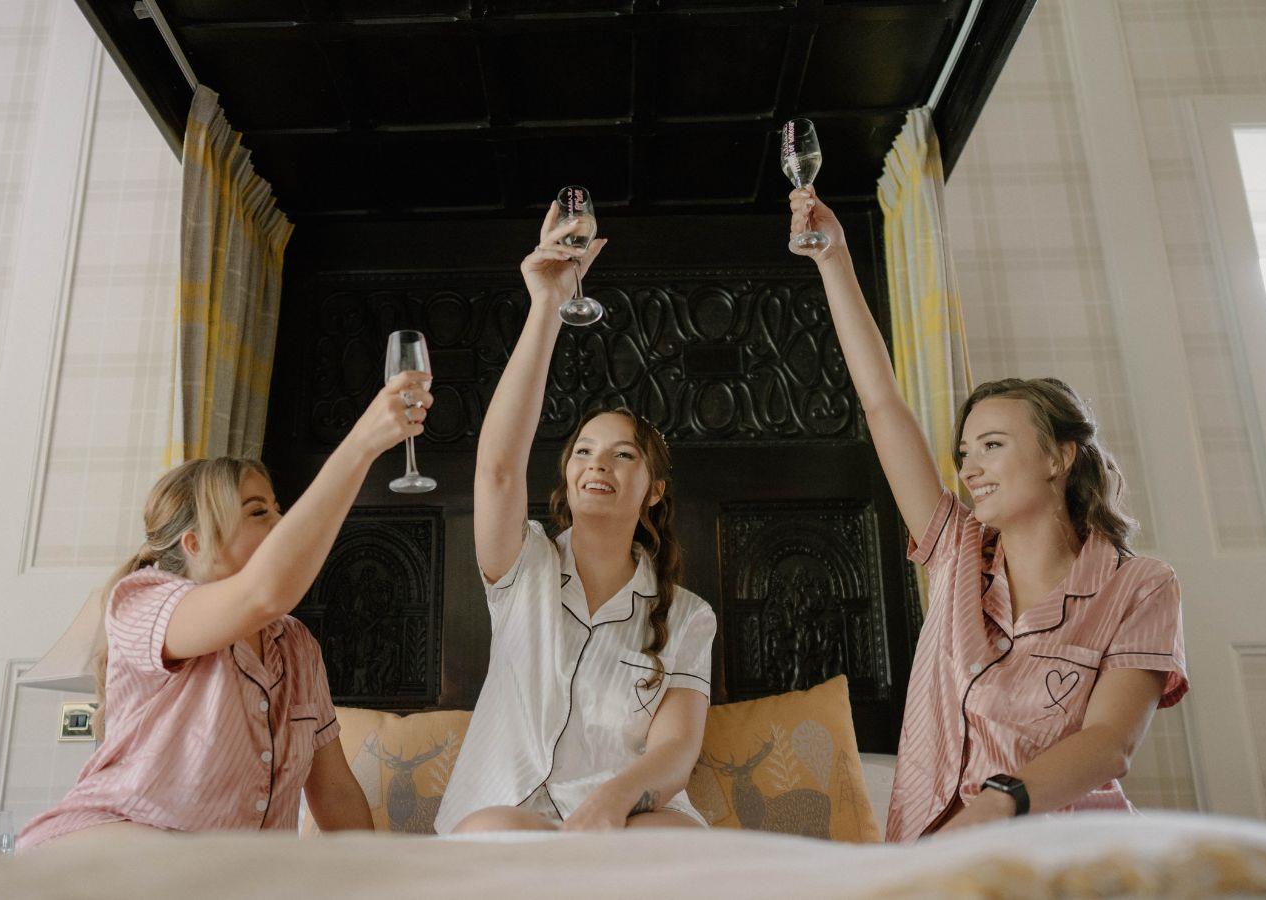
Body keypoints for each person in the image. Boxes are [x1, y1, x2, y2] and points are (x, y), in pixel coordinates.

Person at [786, 187, 1188, 841]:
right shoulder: (956, 551)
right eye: (965, 451)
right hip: (933, 852)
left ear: (1060, 456)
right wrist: (833, 262)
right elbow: (883, 400)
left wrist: (994, 807)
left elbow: (1111, 742)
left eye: (993, 446)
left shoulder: (1139, 586)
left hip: (1061, 839)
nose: (969, 467)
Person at [17, 373, 434, 848]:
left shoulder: (296, 646)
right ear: (195, 544)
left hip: (231, 875)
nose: (281, 523)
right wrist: (361, 444)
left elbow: (334, 793)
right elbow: (264, 593)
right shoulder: (141, 602)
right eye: (259, 512)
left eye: (278, 509)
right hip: (108, 848)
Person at [434, 204, 717, 833]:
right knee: (493, 836)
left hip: (622, 821)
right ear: (566, 476)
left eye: (624, 455)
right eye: (584, 451)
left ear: (653, 491)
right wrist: (546, 305)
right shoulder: (522, 565)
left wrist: (612, 802)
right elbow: (499, 469)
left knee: (680, 840)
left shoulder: (689, 615)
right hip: (509, 814)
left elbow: (675, 750)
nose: (600, 465)